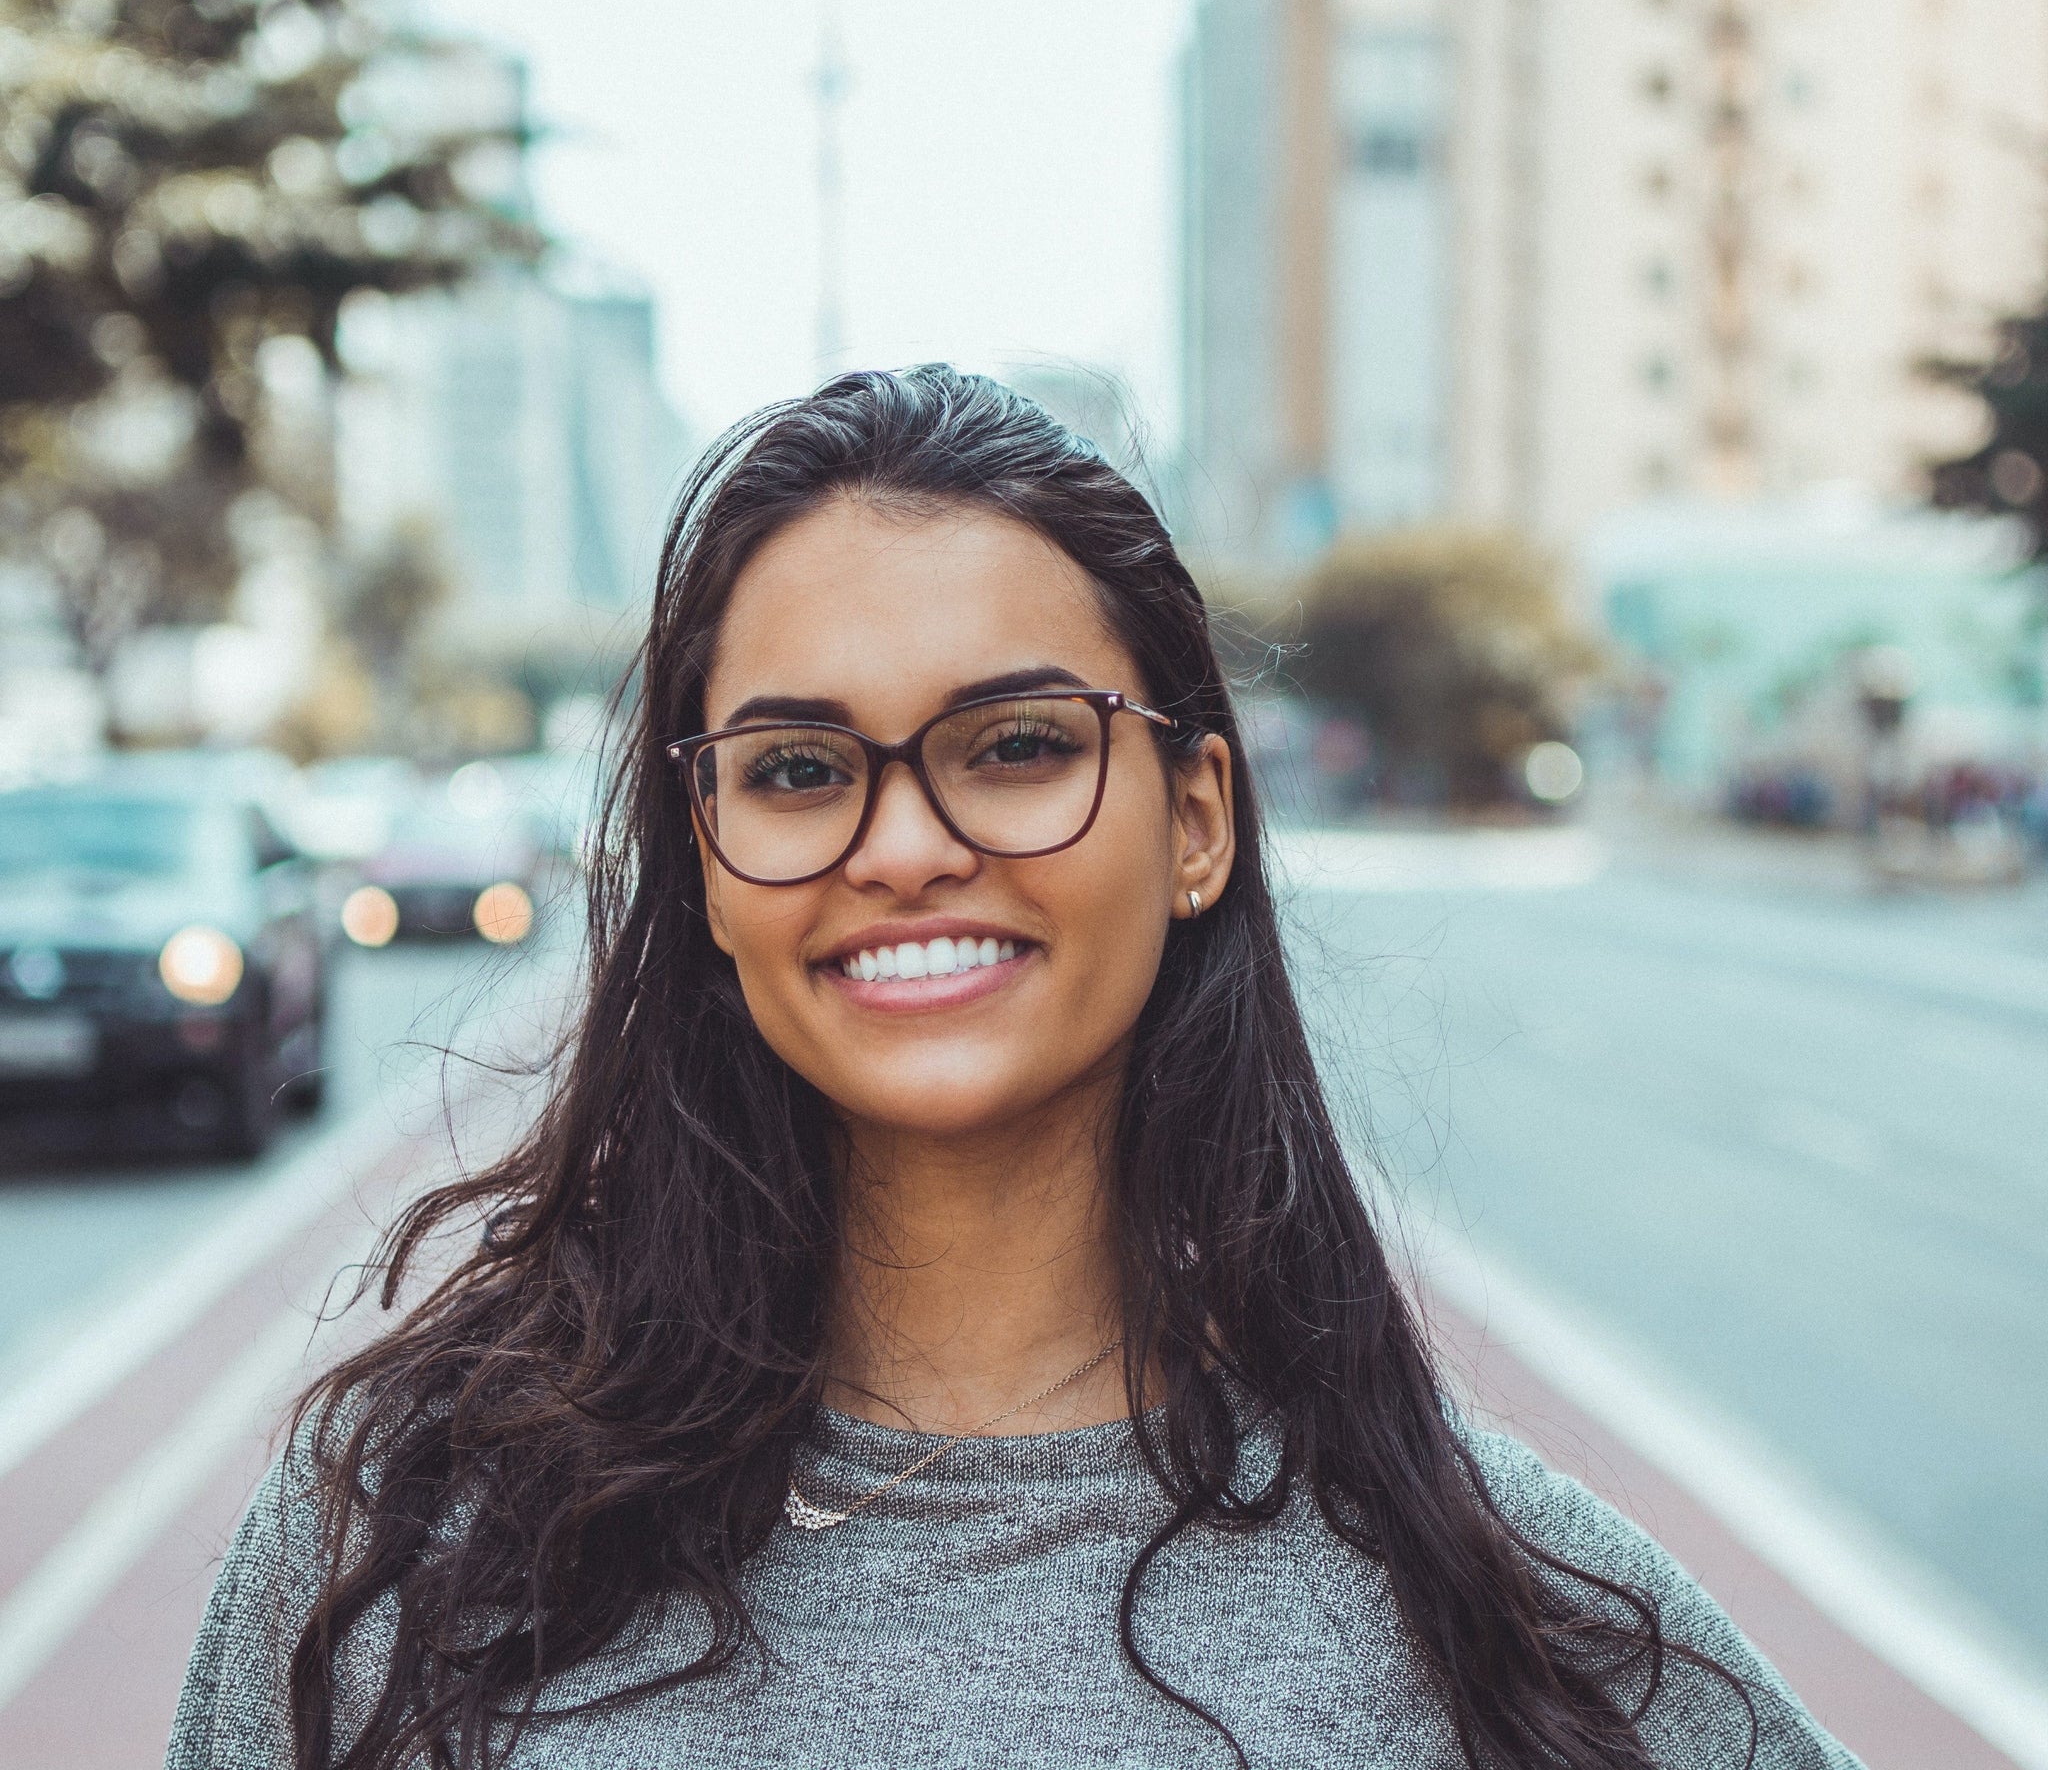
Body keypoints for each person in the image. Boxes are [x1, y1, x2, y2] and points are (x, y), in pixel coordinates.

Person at [167, 367, 1861, 1770]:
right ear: (700, 860)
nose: (903, 845)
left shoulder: (1507, 1625)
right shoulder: (398, 1552)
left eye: (1021, 747)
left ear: (1194, 820)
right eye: (801, 768)